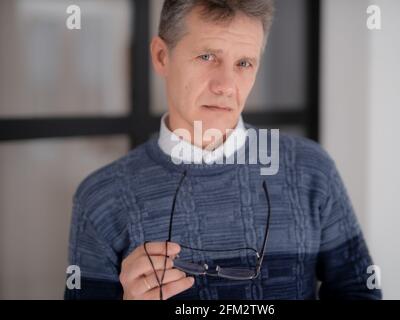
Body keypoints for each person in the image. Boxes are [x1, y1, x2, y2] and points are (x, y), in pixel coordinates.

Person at [64, 0, 382, 300]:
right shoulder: (100, 198)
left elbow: (359, 290)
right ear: (162, 56)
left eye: (243, 63)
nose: (226, 85)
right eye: (207, 57)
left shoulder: (312, 170)